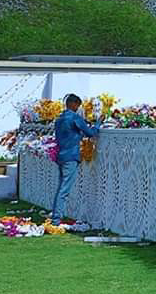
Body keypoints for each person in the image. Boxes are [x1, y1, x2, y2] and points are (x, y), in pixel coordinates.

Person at [48, 93, 100, 223]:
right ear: (73, 104)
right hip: (71, 156)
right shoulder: (75, 118)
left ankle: (56, 216)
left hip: (61, 156)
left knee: (61, 188)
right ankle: (56, 219)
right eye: (77, 106)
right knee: (64, 190)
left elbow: (71, 133)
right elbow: (91, 133)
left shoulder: (59, 119)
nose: (78, 109)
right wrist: (98, 123)